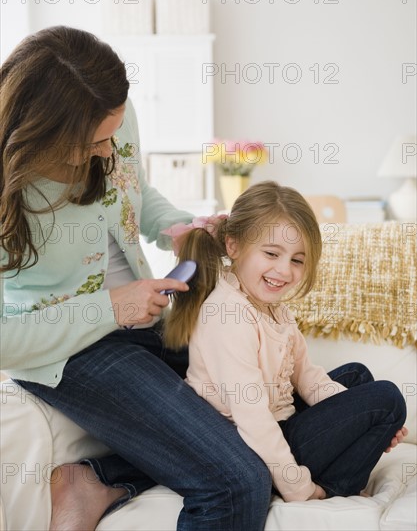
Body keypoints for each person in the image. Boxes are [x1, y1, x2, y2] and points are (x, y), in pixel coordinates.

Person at [0, 26, 273, 530]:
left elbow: (136, 193)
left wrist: (180, 227)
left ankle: (99, 478)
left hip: (147, 322)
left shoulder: (111, 119)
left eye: (115, 133)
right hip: (70, 352)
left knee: (276, 407)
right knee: (237, 483)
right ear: (43, 133)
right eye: (94, 142)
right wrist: (110, 307)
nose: (110, 150)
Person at [163, 181, 408, 501]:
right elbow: (253, 420)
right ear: (233, 246)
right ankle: (332, 487)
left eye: (297, 260)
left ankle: (353, 445)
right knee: (388, 398)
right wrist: (299, 487)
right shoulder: (227, 316)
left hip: (280, 423)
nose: (284, 270)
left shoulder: (273, 309)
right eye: (271, 253)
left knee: (357, 378)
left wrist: (362, 421)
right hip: (249, 446)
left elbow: (307, 376)